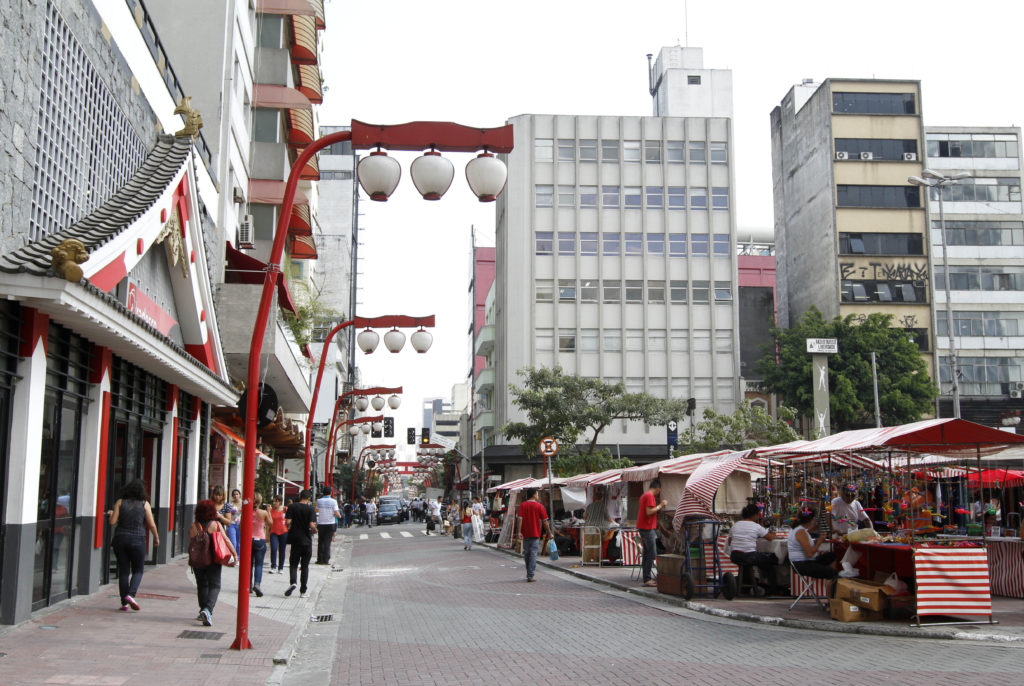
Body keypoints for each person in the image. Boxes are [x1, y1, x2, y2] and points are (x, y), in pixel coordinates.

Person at [107, 479, 159, 611]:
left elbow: (112, 522)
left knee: (124, 570)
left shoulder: (119, 502)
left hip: (120, 539)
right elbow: (151, 524)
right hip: (138, 539)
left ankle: (124, 603)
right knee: (138, 570)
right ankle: (131, 594)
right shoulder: (144, 504)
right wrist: (156, 538)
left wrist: (112, 514)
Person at [189, 499, 236, 627]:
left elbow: (191, 543)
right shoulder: (215, 524)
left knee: (202, 585)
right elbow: (226, 540)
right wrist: (234, 554)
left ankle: (203, 609)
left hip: (198, 561)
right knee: (215, 585)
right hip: (213, 560)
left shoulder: (194, 526)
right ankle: (208, 609)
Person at [728, 504, 779, 595]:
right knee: (771, 560)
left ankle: (749, 585)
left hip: (735, 555)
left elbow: (729, 542)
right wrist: (774, 534)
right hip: (749, 556)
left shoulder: (736, 525)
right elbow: (770, 538)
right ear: (755, 515)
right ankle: (772, 589)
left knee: (756, 560)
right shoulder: (756, 526)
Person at [788, 509, 838, 591]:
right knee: (832, 573)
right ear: (810, 520)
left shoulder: (799, 529)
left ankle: (828, 579)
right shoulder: (801, 532)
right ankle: (831, 599)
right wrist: (819, 542)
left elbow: (805, 545)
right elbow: (809, 554)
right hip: (802, 564)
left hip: (806, 561)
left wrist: (817, 541)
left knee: (831, 556)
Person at [285, 489, 317, 598]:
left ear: (300, 497)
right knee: (305, 566)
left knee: (293, 563)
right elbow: (312, 525)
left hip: (295, 539)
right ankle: (303, 591)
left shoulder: (292, 507)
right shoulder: (310, 509)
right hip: (306, 540)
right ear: (308, 498)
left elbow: (287, 522)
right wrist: (315, 530)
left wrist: (293, 523)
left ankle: (293, 582)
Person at [516, 488, 552, 582]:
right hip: (536, 533)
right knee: (533, 554)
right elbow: (545, 521)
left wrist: (519, 531)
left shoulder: (522, 505)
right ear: (534, 495)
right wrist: (549, 532)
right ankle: (530, 574)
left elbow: (520, 519)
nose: (538, 496)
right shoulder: (540, 506)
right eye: (537, 494)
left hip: (525, 533)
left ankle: (529, 572)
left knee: (527, 553)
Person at [637, 478, 667, 587]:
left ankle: (646, 578)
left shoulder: (644, 495)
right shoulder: (649, 496)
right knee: (651, 553)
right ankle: (647, 578)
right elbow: (649, 511)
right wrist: (661, 505)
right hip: (647, 528)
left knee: (647, 553)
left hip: (646, 527)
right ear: (658, 489)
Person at [250, 492, 272, 596]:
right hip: (260, 538)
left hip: (249, 539)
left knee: (249, 564)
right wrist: (269, 512)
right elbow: (270, 523)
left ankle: (248, 585)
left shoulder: (246, 511)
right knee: (259, 564)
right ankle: (257, 584)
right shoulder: (263, 513)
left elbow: (241, 527)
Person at [315, 488, 340, 564]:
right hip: (330, 524)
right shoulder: (333, 501)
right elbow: (336, 512)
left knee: (320, 542)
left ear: (323, 493)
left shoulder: (318, 501)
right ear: (330, 493)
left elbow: (317, 510)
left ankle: (320, 559)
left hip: (321, 523)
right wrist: (339, 516)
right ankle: (326, 560)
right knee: (327, 542)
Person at [211, 486, 237, 551]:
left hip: (220, 532)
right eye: (216, 495)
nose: (217, 497)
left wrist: (220, 516)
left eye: (219, 495)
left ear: (223, 496)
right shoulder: (209, 504)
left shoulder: (226, 506)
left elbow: (228, 522)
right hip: (209, 531)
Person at [268, 494, 288, 573]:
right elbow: (269, 522)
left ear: (280, 502)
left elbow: (289, 519)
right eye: (273, 501)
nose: (274, 503)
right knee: (273, 548)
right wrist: (269, 512)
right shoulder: (271, 511)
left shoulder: (286, 509)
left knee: (282, 549)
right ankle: (273, 566)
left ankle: (281, 567)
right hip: (273, 531)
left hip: (284, 531)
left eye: (275, 501)